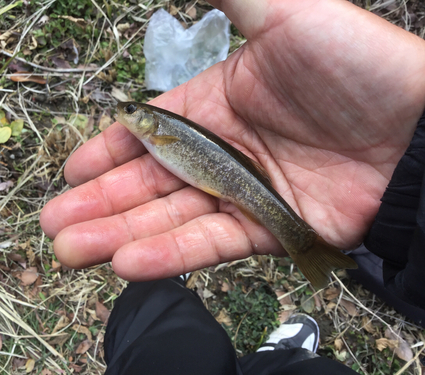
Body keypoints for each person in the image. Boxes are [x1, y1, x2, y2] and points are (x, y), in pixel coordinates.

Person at [40, 0, 425, 373]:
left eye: (131, 112)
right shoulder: (156, 134)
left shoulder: (161, 131)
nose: (125, 113)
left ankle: (298, 269)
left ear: (149, 122)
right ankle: (284, 357)